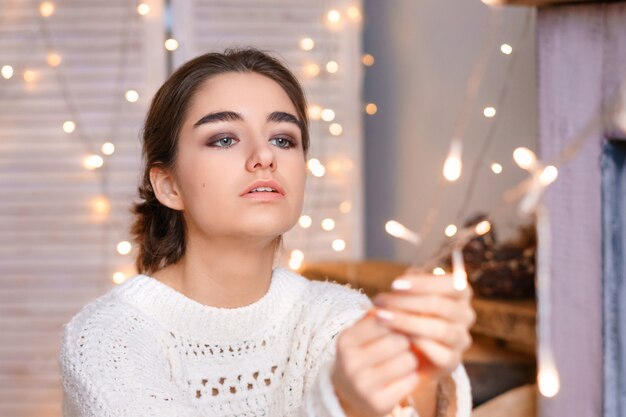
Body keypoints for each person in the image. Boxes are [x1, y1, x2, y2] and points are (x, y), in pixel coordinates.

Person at [59, 48, 475, 417]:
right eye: (223, 139)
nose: (264, 157)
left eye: (283, 138)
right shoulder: (106, 339)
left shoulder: (337, 316)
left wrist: (421, 375)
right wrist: (343, 404)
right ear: (168, 185)